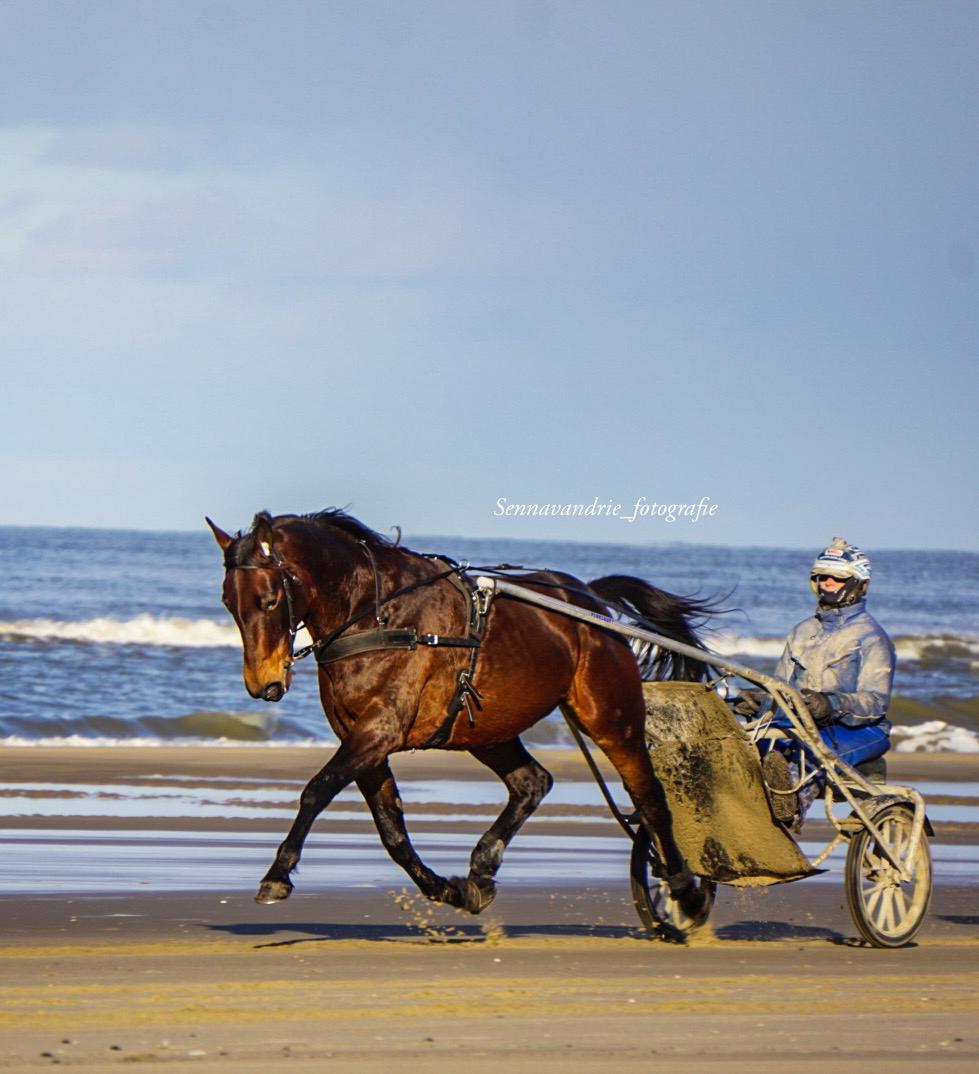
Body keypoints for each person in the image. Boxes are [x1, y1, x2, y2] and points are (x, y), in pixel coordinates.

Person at [734, 538, 895, 822]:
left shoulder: (872, 637)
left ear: (858, 583)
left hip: (861, 731)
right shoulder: (801, 632)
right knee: (748, 744)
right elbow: (782, 688)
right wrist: (758, 701)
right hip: (803, 725)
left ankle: (790, 809)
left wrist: (829, 704)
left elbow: (875, 703)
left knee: (810, 751)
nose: (827, 583)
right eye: (821, 577)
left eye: (836, 577)